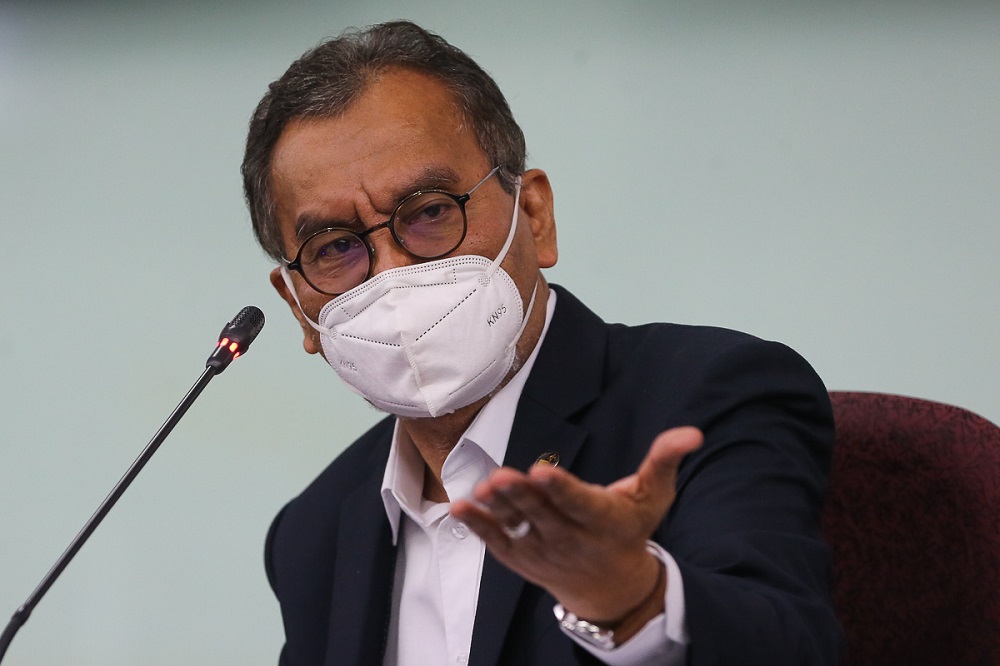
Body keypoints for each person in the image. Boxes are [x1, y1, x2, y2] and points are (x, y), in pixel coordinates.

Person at [242, 20, 841, 666]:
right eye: (335, 247)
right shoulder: (314, 532)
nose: (392, 274)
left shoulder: (710, 396)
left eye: (430, 211)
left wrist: (630, 598)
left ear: (535, 215)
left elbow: (791, 646)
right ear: (300, 308)